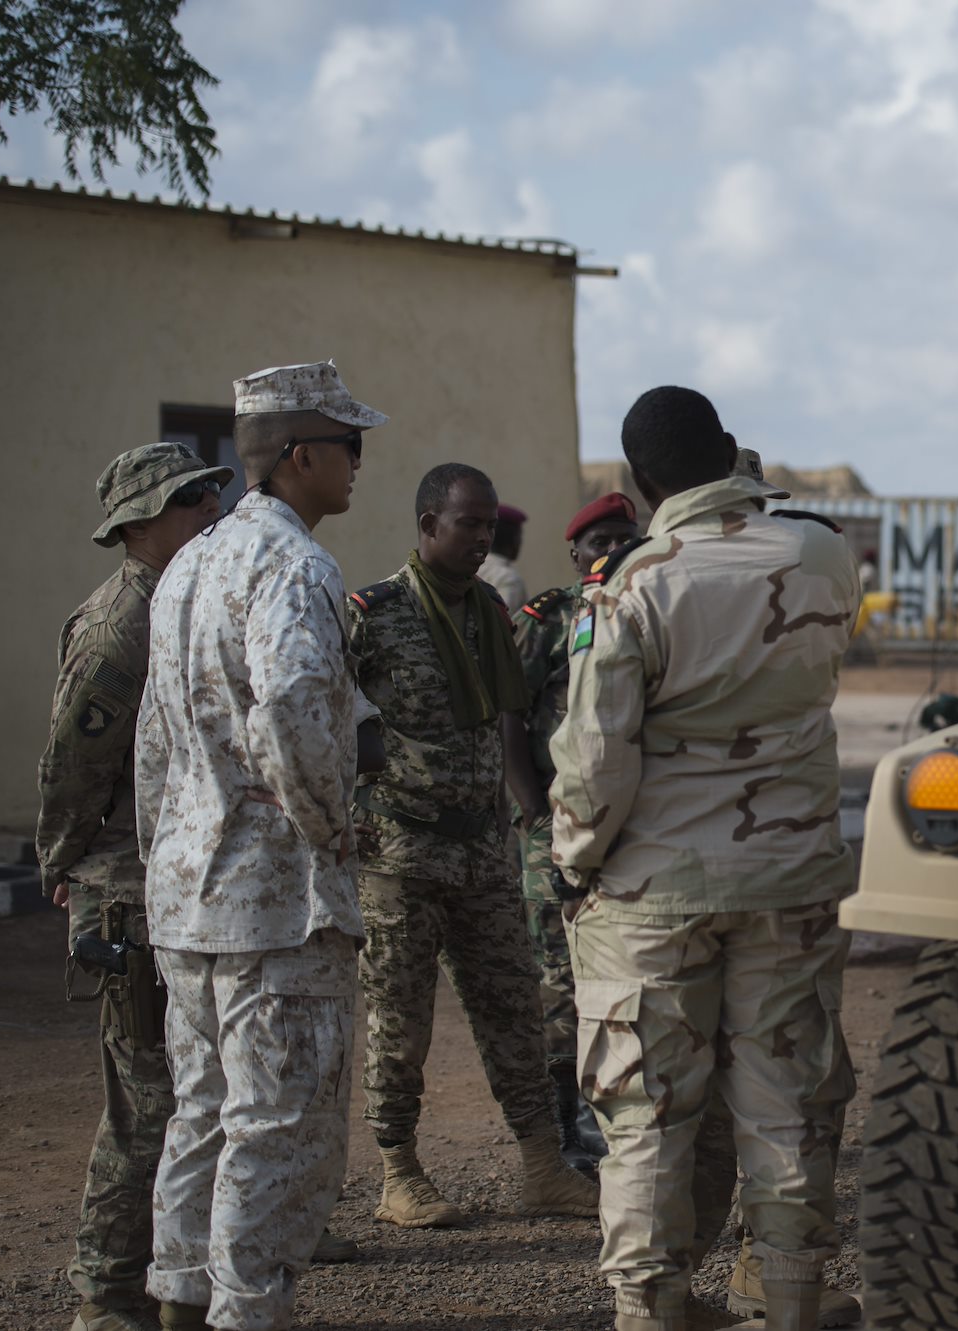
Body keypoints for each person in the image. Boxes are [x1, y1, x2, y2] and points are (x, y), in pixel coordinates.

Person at [552, 386, 860, 1331]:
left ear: (640, 485)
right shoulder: (822, 554)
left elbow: (597, 761)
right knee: (788, 1108)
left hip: (654, 895)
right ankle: (791, 1303)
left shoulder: (631, 585)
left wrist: (575, 861)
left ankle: (651, 1314)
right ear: (733, 450)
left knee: (646, 1117)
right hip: (790, 884)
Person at [135, 361, 385, 1331]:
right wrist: (329, 826)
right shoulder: (293, 565)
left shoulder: (188, 563)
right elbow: (289, 706)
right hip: (276, 905)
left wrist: (168, 859)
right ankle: (245, 1313)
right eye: (348, 445)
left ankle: (178, 1302)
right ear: (299, 455)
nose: (360, 463)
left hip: (189, 900)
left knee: (200, 1116)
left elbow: (157, 743)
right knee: (275, 1133)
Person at [345, 463, 597, 1229]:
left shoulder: (491, 610)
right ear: (427, 526)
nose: (482, 537)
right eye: (467, 524)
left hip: (482, 852)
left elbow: (506, 722)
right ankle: (399, 1172)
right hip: (401, 855)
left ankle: (543, 1167)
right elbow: (326, 720)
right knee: (400, 1019)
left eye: (488, 525)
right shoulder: (373, 615)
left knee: (514, 1009)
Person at [41, 443, 226, 1331]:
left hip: (181, 882)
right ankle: (103, 1296)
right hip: (126, 889)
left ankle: (176, 1271)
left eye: (208, 491)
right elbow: (71, 767)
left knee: (196, 1092)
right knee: (145, 1101)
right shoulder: (123, 626)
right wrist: (64, 867)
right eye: (189, 497)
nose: (207, 507)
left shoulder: (184, 600)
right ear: (140, 523)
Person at [505, 490, 644, 1170]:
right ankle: (567, 1131)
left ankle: (620, 1118)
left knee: (624, 977)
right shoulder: (549, 617)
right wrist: (533, 812)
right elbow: (508, 714)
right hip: (554, 825)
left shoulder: (651, 602)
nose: (613, 551)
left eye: (625, 537)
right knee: (559, 981)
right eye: (600, 542)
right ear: (576, 554)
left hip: (631, 829)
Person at [479, 502, 528, 607]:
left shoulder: (471, 566)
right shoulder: (509, 579)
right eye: (519, 536)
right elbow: (503, 621)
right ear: (513, 539)